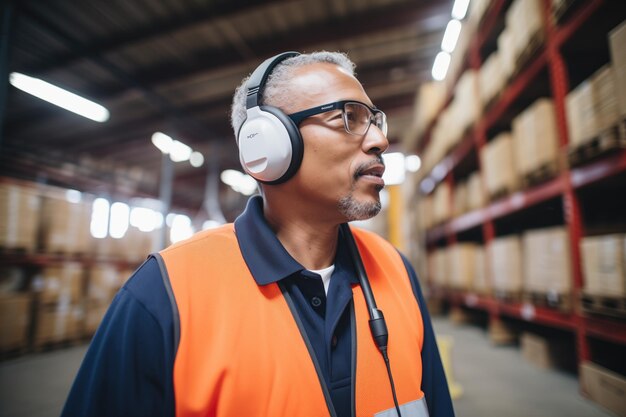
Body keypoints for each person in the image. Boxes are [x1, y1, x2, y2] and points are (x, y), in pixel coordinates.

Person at [61, 51, 454, 417]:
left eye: (374, 119)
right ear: (268, 143)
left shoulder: (396, 271)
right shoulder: (165, 294)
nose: (379, 140)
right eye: (348, 117)